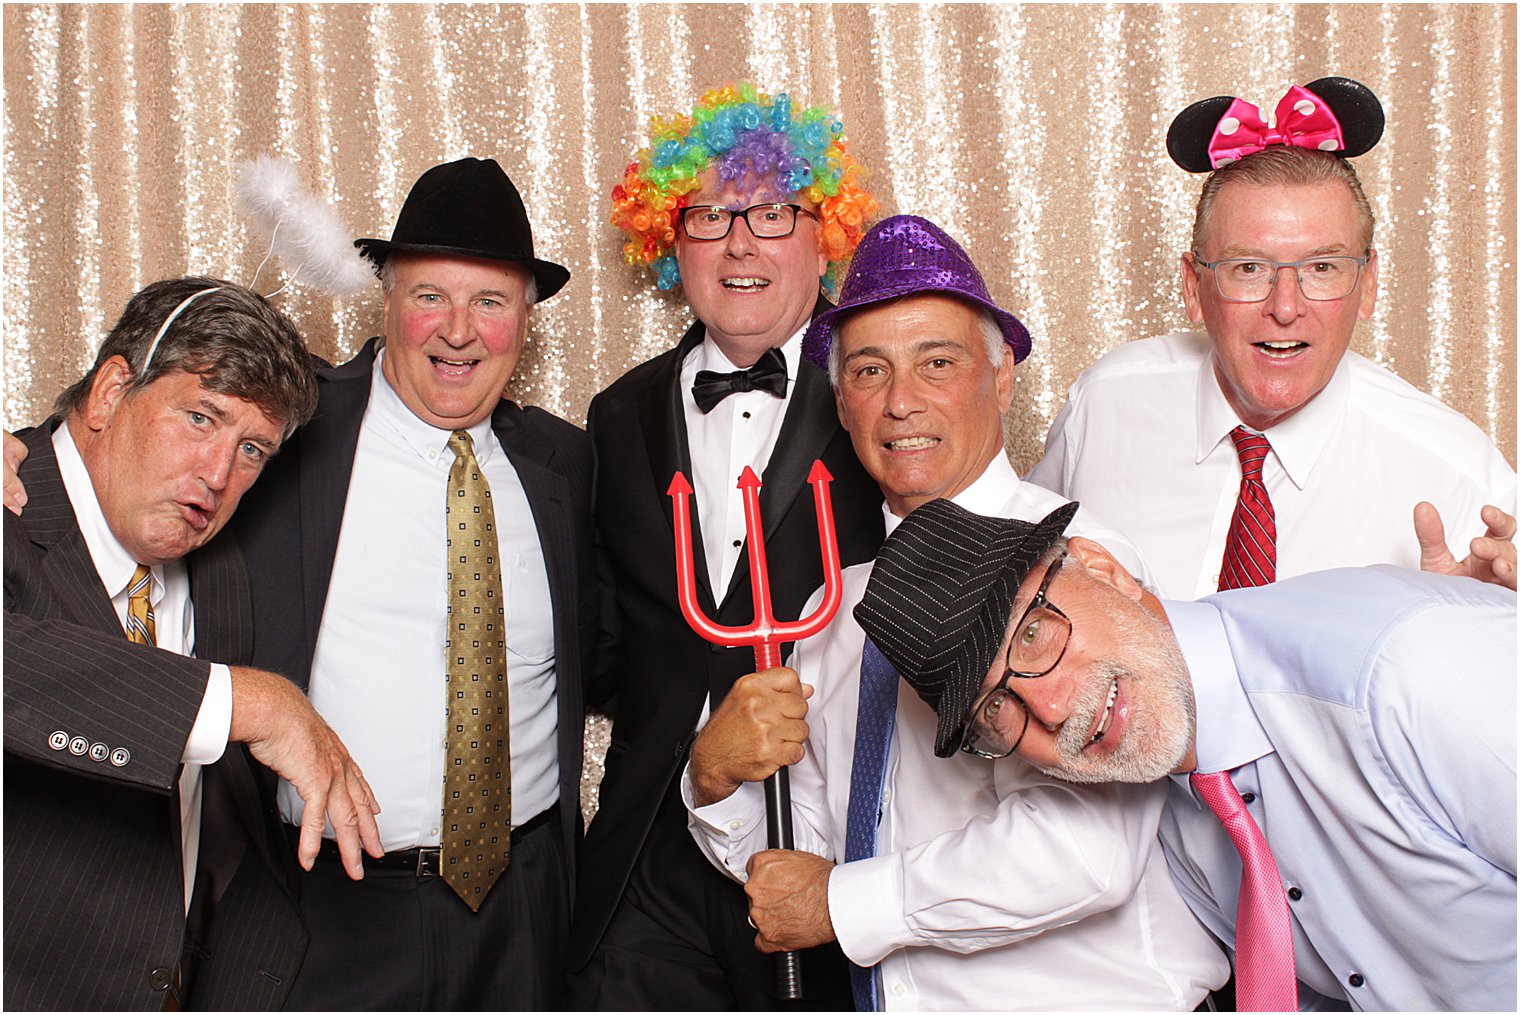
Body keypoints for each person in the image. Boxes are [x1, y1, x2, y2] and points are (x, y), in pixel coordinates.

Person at [682, 215, 1230, 1010]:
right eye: (869, 372)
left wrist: (842, 904)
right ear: (842, 403)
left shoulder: (1076, 563)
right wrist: (716, 776)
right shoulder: (833, 608)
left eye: (936, 362)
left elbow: (1086, 853)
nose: (901, 401)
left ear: (1002, 377)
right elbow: (804, 856)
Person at [857, 496, 1517, 1011]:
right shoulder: (1171, 798)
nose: (1053, 707)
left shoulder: (1404, 673)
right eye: (996, 710)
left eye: (1033, 634)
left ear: (1103, 569)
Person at [225, 157, 596, 1009]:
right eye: (431, 295)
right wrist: (27, 452)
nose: (458, 330)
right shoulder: (295, 427)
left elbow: (606, 654)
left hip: (527, 903)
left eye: (491, 302)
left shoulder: (563, 463)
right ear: (386, 299)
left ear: (524, 323)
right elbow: (144, 439)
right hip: (337, 905)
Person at [572, 83, 885, 1009]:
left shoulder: (878, 390)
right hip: (650, 849)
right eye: (710, 214)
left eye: (774, 211)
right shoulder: (618, 412)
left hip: (819, 838)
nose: (741, 241)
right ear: (670, 241)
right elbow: (603, 646)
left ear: (823, 231)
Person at [4, 277, 380, 1010]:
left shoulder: (217, 572)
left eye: (251, 449)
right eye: (200, 417)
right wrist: (253, 702)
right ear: (113, 391)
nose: (217, 475)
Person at [1025, 76, 1517, 599]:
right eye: (1249, 268)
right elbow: (1017, 589)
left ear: (1368, 286)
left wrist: (1473, 629)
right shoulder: (1104, 404)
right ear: (1194, 287)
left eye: (1322, 267)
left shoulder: (1457, 473)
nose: (1285, 307)